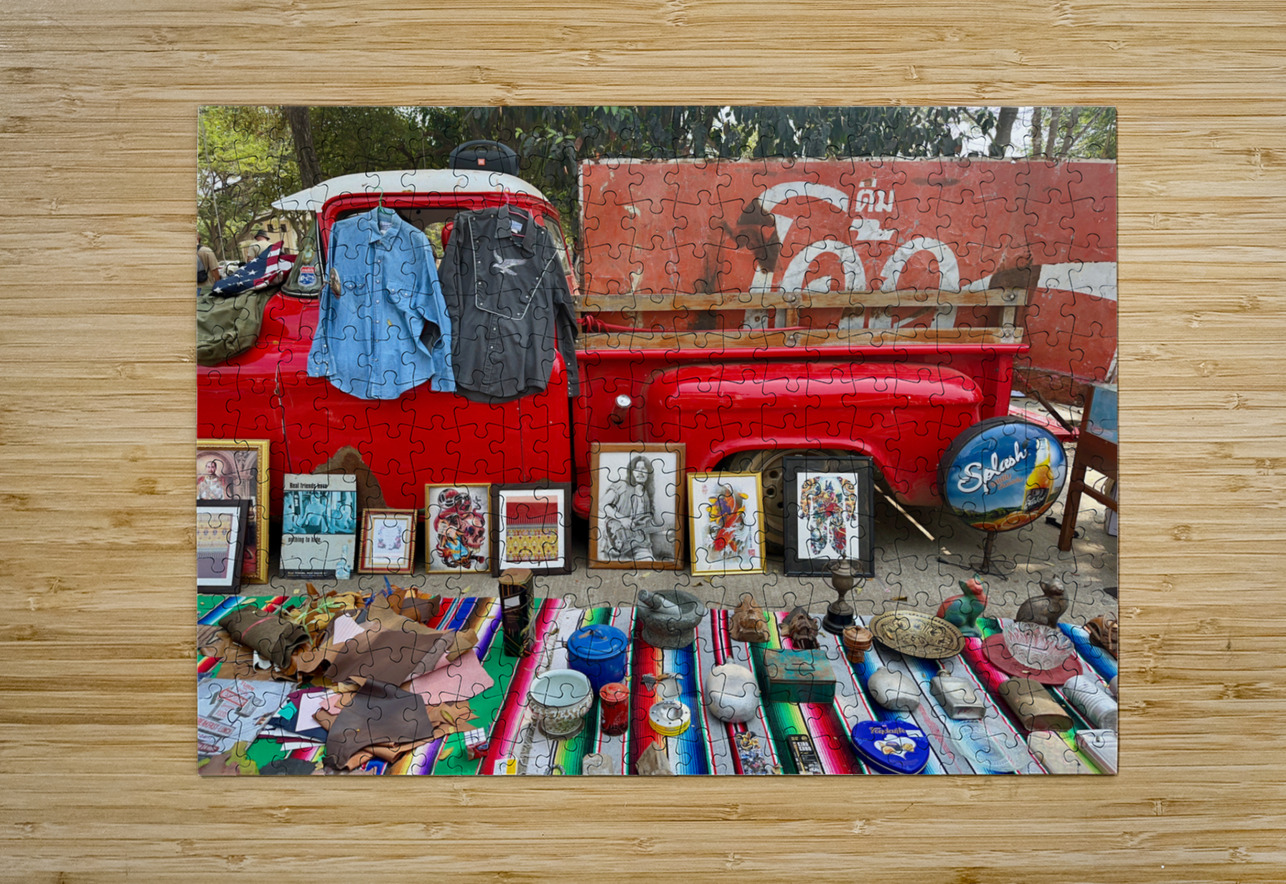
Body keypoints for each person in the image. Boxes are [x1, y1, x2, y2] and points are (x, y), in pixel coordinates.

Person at [600, 455, 665, 561]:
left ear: (648, 473)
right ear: (631, 471)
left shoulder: (647, 495)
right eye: (637, 469)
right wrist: (622, 518)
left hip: (638, 544)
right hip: (616, 540)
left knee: (649, 561)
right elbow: (602, 504)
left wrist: (663, 531)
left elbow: (645, 523)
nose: (640, 472)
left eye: (643, 469)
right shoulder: (621, 485)